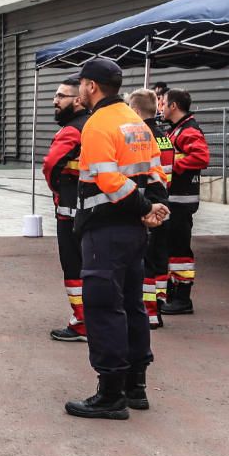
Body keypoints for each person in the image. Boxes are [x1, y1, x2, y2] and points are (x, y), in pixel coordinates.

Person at [65, 59, 168, 420]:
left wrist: (143, 206)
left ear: (91, 87)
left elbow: (108, 180)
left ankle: (111, 393)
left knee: (104, 306)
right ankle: (135, 385)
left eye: (80, 83)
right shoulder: (135, 121)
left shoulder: (97, 126)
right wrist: (155, 206)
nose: (78, 89)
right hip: (135, 232)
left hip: (106, 230)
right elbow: (156, 169)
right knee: (132, 303)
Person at [42, 75, 90, 342]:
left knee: (73, 266)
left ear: (79, 100)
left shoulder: (72, 129)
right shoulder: (97, 124)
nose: (55, 101)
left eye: (61, 96)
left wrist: (58, 191)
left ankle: (82, 322)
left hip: (70, 210)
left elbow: (50, 165)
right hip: (98, 210)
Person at [158, 88, 210, 315]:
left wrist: (171, 166)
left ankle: (183, 299)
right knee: (171, 248)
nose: (160, 107)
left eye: (163, 103)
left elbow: (201, 157)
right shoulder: (176, 130)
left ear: (174, 106)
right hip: (174, 200)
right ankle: (173, 293)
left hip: (181, 200)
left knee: (180, 250)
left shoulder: (188, 130)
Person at [127, 88, 174, 329]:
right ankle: (159, 300)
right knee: (159, 258)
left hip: (149, 203)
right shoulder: (163, 135)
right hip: (165, 201)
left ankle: (150, 313)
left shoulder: (141, 135)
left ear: (135, 110)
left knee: (145, 261)